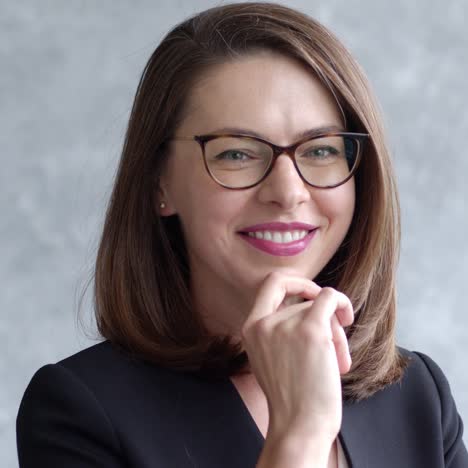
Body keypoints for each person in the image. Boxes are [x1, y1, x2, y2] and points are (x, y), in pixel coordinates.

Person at [16, 3, 468, 467]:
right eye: (236, 154)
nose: (288, 192)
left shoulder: (419, 397)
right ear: (159, 183)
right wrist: (298, 436)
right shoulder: (79, 412)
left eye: (321, 150)